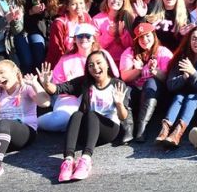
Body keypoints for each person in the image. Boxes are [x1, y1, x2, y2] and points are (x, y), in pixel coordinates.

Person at [34, 49, 129, 182]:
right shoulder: (85, 82)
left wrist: (119, 104)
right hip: (88, 131)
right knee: (77, 114)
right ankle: (68, 160)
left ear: (107, 64)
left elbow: (123, 116)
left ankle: (86, 159)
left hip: (108, 129)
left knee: (90, 115)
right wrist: (46, 84)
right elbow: (59, 89)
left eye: (98, 63)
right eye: (90, 65)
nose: (95, 67)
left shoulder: (118, 84)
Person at [156, 26, 197, 148]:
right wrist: (183, 77)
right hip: (182, 94)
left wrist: (193, 73)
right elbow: (170, 85)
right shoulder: (181, 57)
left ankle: (177, 133)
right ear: (189, 40)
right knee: (178, 96)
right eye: (194, 39)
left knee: (191, 98)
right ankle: (165, 129)